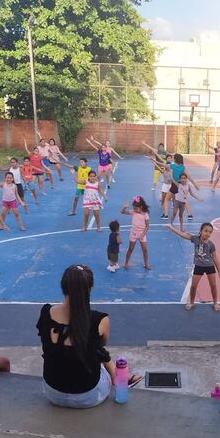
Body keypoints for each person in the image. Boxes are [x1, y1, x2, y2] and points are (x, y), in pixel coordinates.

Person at [37, 264, 140, 408]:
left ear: (63, 286)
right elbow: (102, 344)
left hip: (52, 393)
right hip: (88, 396)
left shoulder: (46, 313)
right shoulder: (99, 320)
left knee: (89, 345)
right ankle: (118, 377)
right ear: (90, 289)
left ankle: (116, 376)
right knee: (95, 347)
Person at [168, 222, 220, 311]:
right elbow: (183, 235)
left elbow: (215, 258)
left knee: (213, 286)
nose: (208, 233)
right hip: (198, 267)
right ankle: (191, 302)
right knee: (194, 286)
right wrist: (172, 228)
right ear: (201, 231)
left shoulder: (211, 244)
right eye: (206, 231)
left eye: (210, 232)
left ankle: (215, 302)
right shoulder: (195, 239)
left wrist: (219, 271)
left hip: (209, 266)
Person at [70, 168, 108, 232]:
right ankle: (84, 226)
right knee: (86, 214)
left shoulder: (97, 183)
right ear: (88, 177)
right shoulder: (86, 181)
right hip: (87, 201)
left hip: (95, 201)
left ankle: (99, 227)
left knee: (97, 214)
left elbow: (101, 190)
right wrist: (74, 173)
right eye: (91, 176)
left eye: (94, 176)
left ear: (96, 177)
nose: (92, 177)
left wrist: (105, 197)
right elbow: (77, 181)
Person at [121, 196, 151, 270]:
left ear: (141, 207)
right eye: (133, 208)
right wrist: (124, 207)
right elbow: (122, 212)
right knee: (130, 249)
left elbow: (147, 226)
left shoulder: (145, 214)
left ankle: (146, 263)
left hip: (142, 234)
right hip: (134, 233)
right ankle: (126, 262)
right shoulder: (133, 212)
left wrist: (143, 235)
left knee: (145, 250)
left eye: (136, 208)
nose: (134, 209)